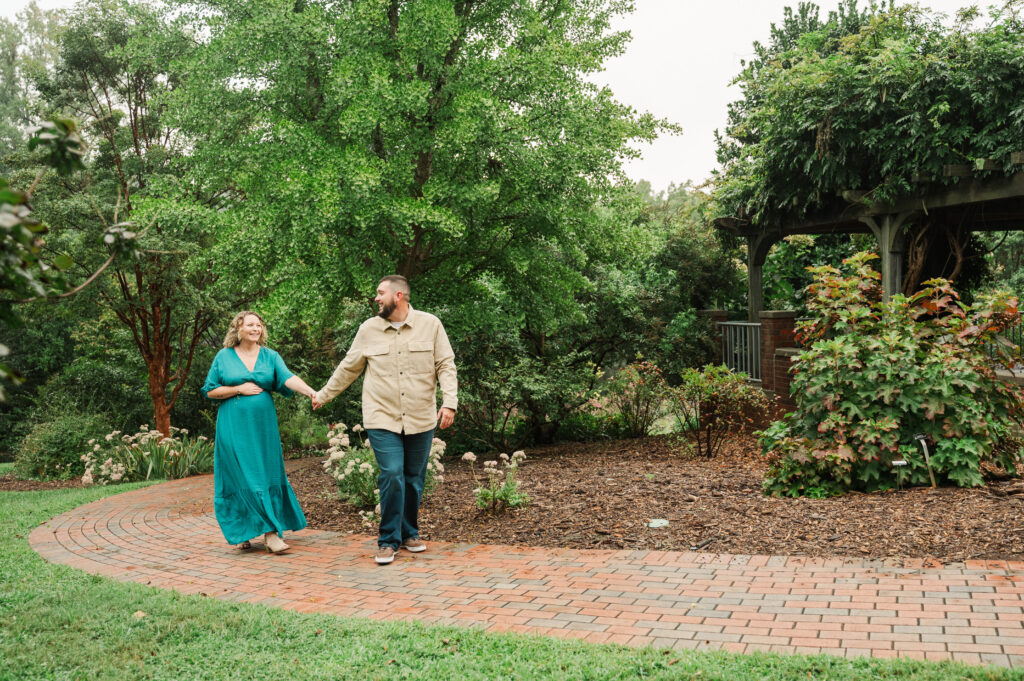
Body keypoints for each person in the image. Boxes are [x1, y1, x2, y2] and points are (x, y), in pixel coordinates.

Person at [313, 275, 457, 565]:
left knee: (414, 479)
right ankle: (388, 540)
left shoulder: (431, 324)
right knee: (392, 473)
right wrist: (324, 394)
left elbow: (445, 364)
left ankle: (409, 533)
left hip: (420, 416)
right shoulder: (369, 329)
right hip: (381, 417)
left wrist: (450, 403)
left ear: (399, 295)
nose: (376, 298)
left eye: (381, 293)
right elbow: (349, 367)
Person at [202, 311, 318, 554]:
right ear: (238, 329)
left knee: (265, 474)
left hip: (263, 427)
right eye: (250, 325)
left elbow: (287, 378)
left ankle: (270, 533)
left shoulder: (270, 356)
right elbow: (210, 391)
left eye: (258, 325)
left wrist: (310, 392)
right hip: (233, 426)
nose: (255, 329)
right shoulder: (224, 356)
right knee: (240, 475)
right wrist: (238, 389)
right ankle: (243, 530)